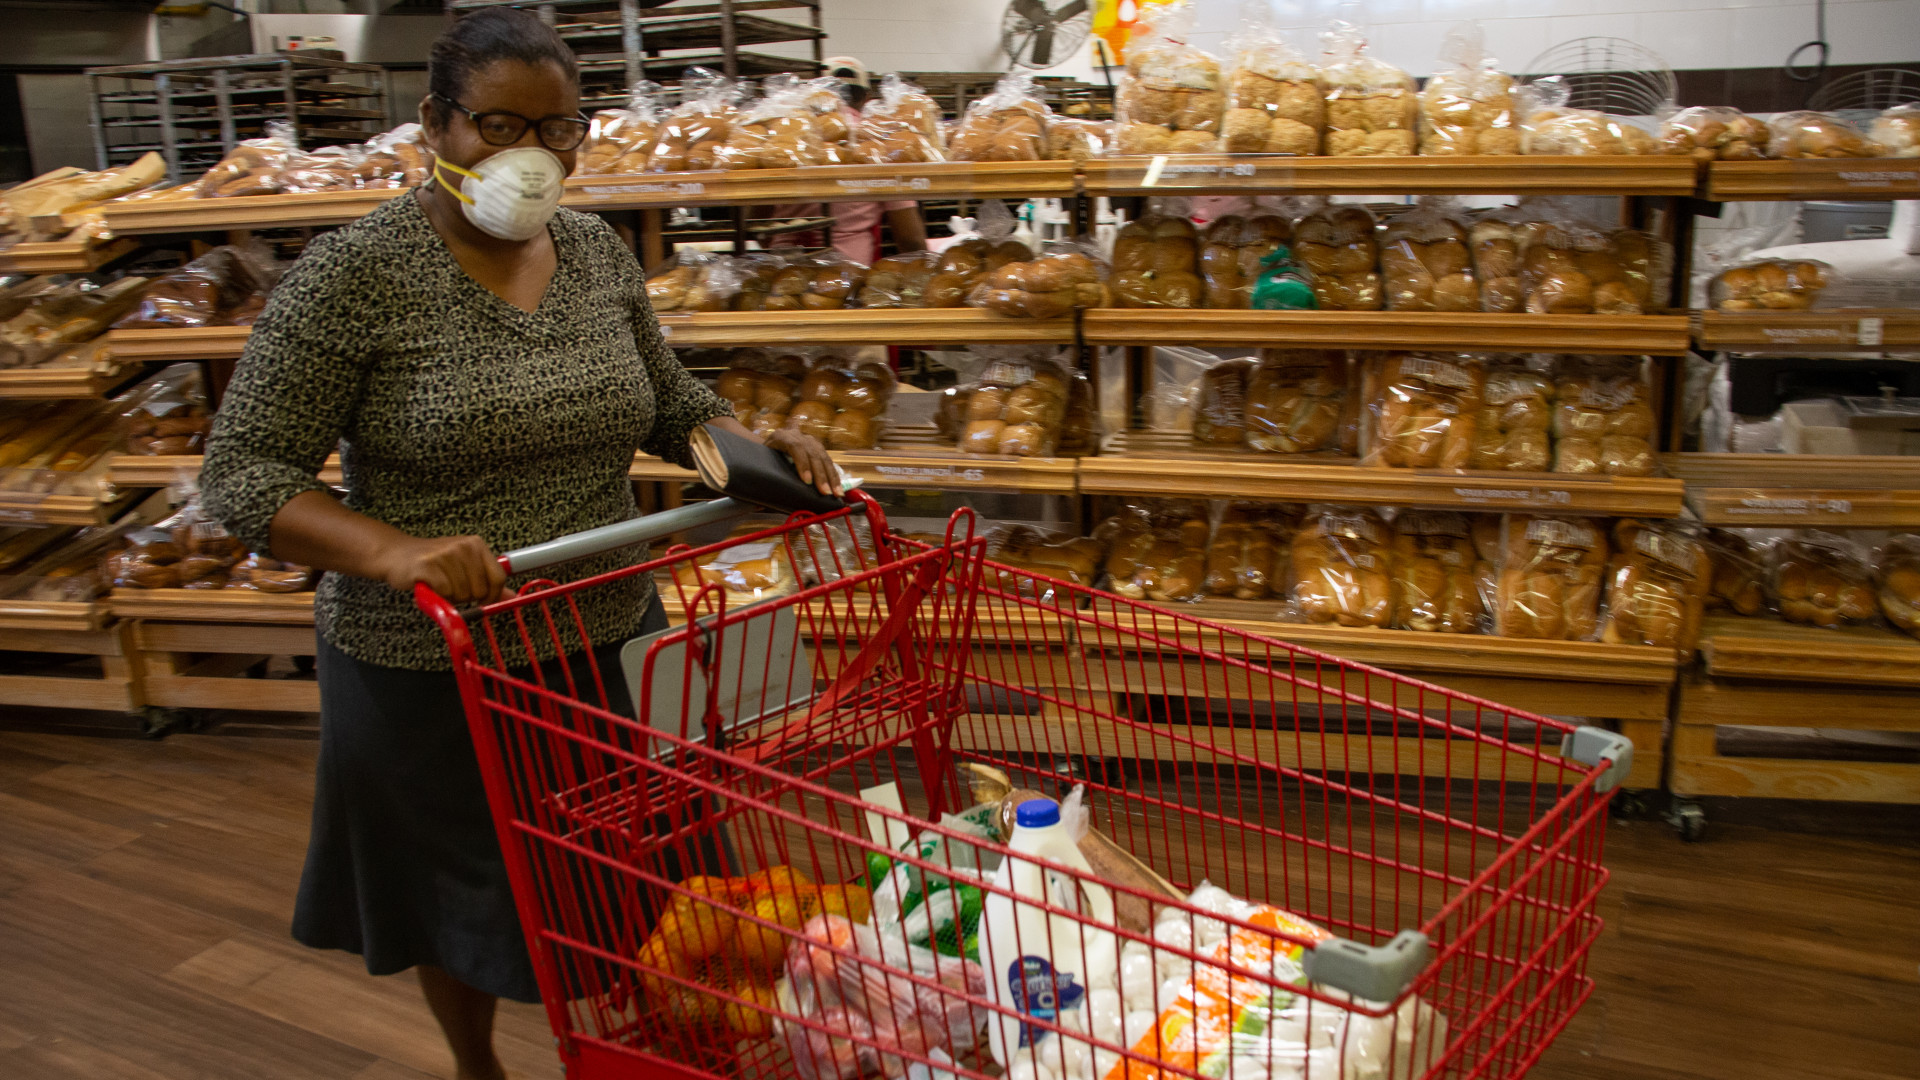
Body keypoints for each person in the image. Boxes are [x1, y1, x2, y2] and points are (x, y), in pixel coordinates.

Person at [198, 10, 835, 1080]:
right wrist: (394, 552)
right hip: (436, 659)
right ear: (436, 124)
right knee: (463, 892)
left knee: (642, 875)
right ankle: (478, 1066)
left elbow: (670, 404)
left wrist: (754, 453)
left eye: (558, 129)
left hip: (607, 635)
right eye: (499, 125)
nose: (531, 154)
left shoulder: (592, 254)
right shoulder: (354, 274)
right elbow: (244, 472)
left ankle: (661, 1046)